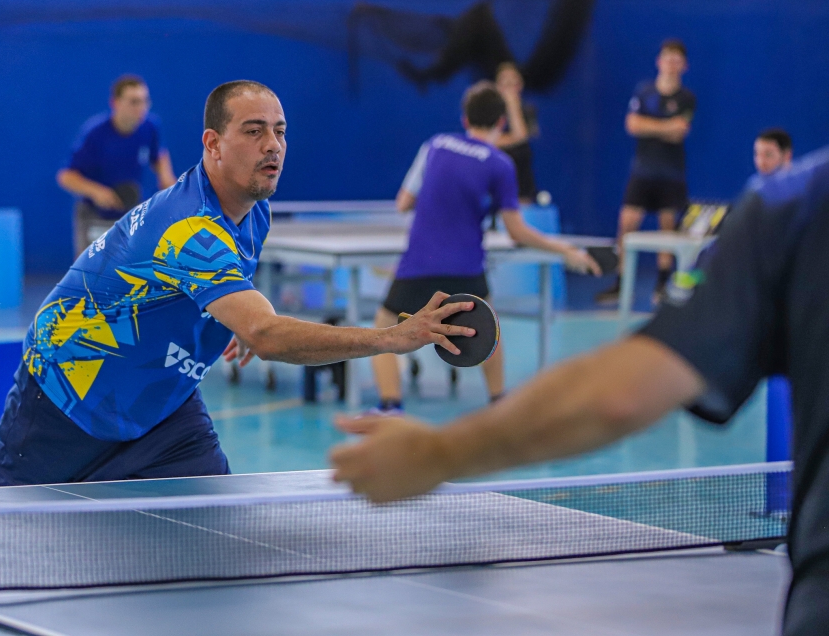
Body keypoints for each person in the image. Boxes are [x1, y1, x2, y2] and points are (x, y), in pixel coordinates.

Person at [331, 146, 829, 636]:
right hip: (464, 266)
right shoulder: (794, 205)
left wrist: (435, 455)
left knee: (392, 319)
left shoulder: (795, 205)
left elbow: (623, 393)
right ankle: (487, 397)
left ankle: (393, 403)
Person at [0, 80, 476, 487]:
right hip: (67, 399)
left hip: (163, 406)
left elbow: (222, 297)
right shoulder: (190, 228)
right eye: (254, 131)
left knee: (217, 526)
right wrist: (392, 338)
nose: (273, 145)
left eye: (280, 132)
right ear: (213, 144)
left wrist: (229, 319)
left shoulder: (255, 211)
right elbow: (267, 335)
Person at [368, 82, 600, 413]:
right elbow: (516, 231)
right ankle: (498, 401)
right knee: (489, 329)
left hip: (419, 264)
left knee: (384, 325)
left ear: (465, 119)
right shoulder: (501, 164)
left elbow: (403, 203)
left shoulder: (435, 145)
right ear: (502, 122)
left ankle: (391, 405)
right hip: (466, 267)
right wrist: (565, 250)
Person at [597, 39, 696, 304]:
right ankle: (620, 282)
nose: (671, 64)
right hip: (643, 171)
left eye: (677, 60)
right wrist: (665, 126)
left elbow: (679, 132)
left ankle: (662, 284)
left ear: (684, 66)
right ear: (659, 62)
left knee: (667, 229)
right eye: (667, 58)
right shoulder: (645, 92)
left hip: (672, 173)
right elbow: (632, 125)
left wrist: (649, 125)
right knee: (627, 225)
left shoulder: (686, 98)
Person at [58, 74, 178, 258]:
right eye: (134, 102)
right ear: (115, 103)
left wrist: (167, 180)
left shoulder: (150, 127)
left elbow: (159, 155)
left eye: (145, 101)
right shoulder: (95, 134)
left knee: (132, 268)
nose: (141, 108)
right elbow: (66, 177)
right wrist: (97, 192)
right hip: (94, 215)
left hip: (130, 212)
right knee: (90, 271)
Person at [493, 62, 541, 204]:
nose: (509, 87)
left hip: (522, 183)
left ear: (520, 85)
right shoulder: (491, 113)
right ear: (497, 86)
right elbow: (490, 141)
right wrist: (512, 139)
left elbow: (522, 135)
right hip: (495, 180)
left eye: (513, 82)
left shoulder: (529, 110)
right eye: (505, 82)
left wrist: (512, 105)